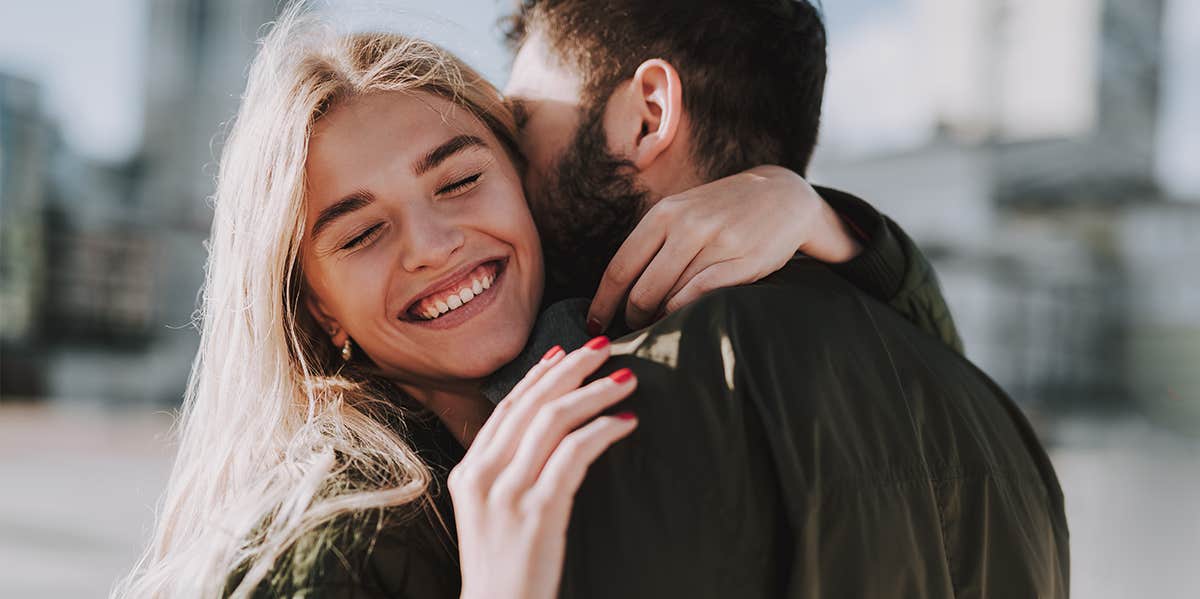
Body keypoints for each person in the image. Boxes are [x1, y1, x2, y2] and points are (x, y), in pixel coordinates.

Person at [111, 3, 1005, 599]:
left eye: (463, 179)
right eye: (360, 233)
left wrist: (817, 215)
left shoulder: (586, 367)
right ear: (315, 309)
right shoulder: (332, 538)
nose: (430, 245)